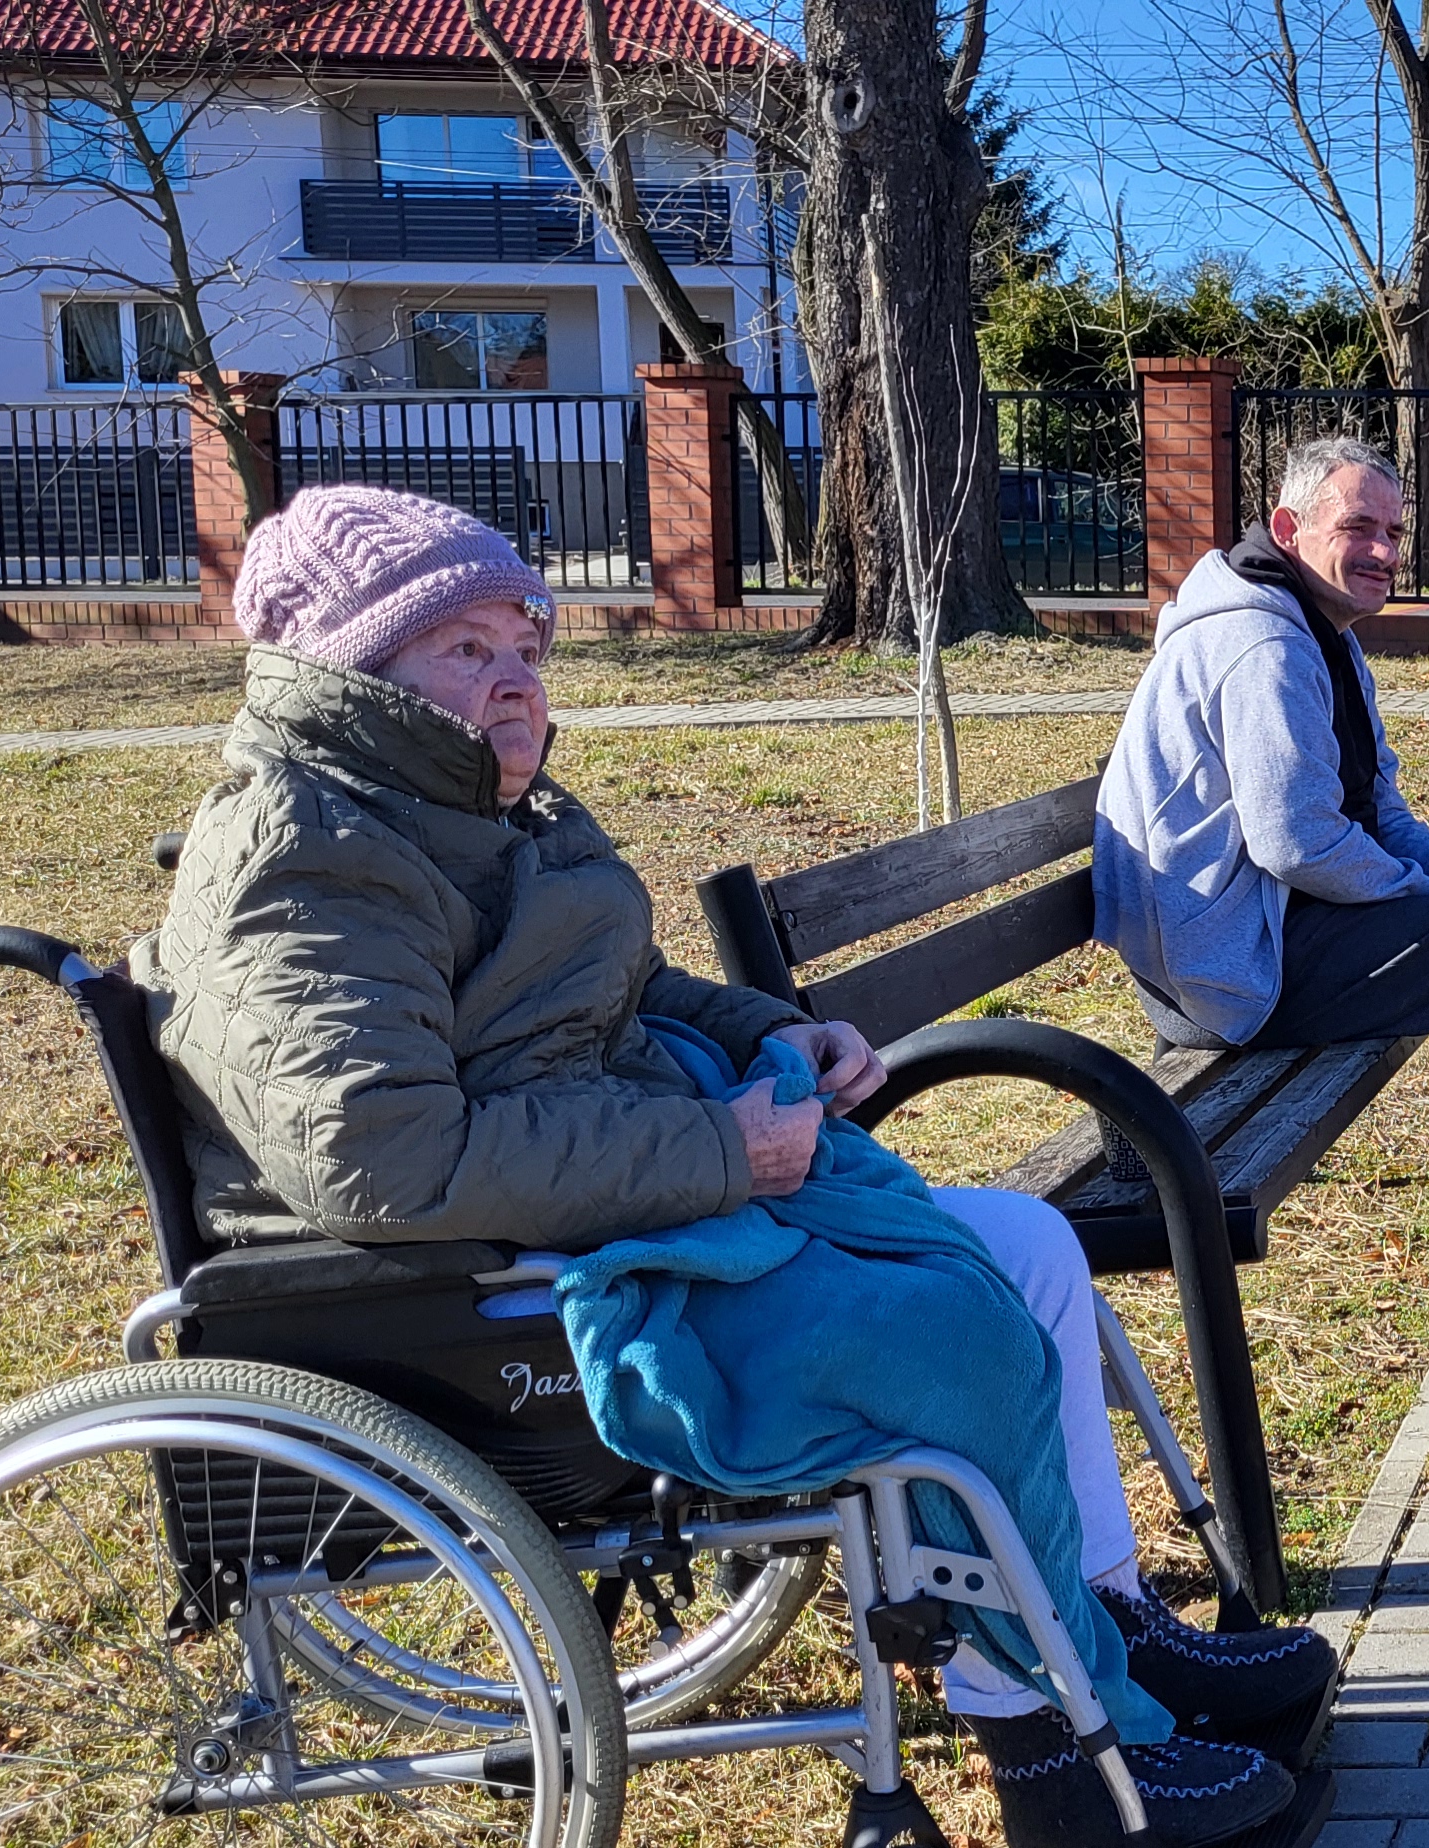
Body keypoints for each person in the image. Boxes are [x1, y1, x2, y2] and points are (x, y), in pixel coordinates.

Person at [133, 486, 1334, 1847]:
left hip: (617, 1197)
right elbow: (388, 1160)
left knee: (1032, 1254)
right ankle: (1053, 1753)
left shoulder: (472, 809)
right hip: (504, 1274)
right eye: (464, 651)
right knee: (948, 1341)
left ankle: (1099, 1628)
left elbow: (627, 990)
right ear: (349, 668)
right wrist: (723, 1152)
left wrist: (781, 1031)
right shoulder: (307, 861)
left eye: (524, 647)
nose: (515, 680)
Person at [1097, 436, 1429, 1311]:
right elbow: (1297, 841)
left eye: (1394, 529)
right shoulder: (1259, 645)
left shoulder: (1322, 632)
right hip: (1228, 972)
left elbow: (1374, 809)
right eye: (1359, 527)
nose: (1385, 551)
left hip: (1273, 927)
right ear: (1289, 528)